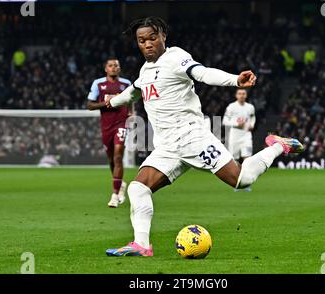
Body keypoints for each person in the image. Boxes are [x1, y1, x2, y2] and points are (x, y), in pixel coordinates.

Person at [104, 17, 303, 256]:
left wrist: (234, 80)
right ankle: (142, 245)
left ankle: (278, 146)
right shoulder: (145, 70)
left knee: (241, 180)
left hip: (191, 136)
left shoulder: (176, 57)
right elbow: (133, 92)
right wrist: (111, 102)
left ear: (164, 36)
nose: (147, 44)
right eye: (141, 40)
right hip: (166, 147)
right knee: (138, 188)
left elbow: (202, 73)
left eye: (152, 38)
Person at [87, 58, 133, 208]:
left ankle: (115, 194)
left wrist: (131, 112)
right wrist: (109, 102)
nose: (114, 68)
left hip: (121, 124)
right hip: (106, 126)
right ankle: (120, 185)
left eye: (116, 66)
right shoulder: (98, 84)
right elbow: (90, 105)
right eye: (111, 65)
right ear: (106, 69)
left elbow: (132, 98)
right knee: (112, 160)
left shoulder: (126, 84)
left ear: (119, 69)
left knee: (118, 155)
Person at [223, 89, 256, 192]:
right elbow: (225, 121)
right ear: (236, 95)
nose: (241, 95)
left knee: (247, 160)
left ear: (246, 95)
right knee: (235, 160)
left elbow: (252, 117)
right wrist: (237, 124)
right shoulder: (231, 107)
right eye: (240, 94)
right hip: (234, 136)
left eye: (243, 94)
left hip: (246, 135)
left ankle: (246, 184)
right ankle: (236, 183)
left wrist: (252, 125)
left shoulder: (250, 107)